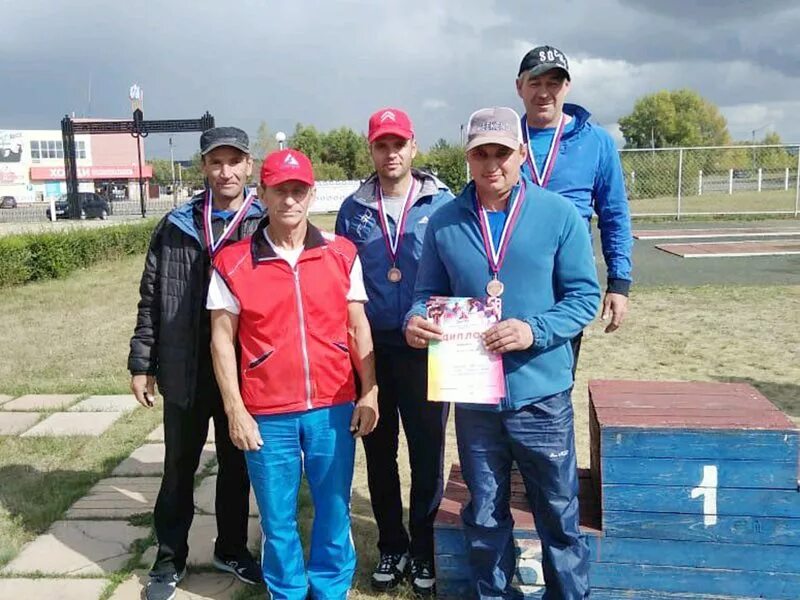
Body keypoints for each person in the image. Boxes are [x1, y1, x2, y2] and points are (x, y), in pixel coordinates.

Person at [404, 107, 600, 599]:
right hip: (475, 400)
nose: (492, 164)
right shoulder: (445, 222)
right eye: (480, 153)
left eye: (502, 153)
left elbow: (584, 297)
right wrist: (414, 320)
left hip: (541, 394)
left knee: (557, 512)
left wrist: (533, 331)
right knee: (486, 513)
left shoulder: (559, 214)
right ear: (468, 157)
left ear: (521, 154)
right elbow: (425, 292)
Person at [207, 148, 379, 600]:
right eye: (279, 190)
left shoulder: (342, 254)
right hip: (267, 411)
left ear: (311, 193)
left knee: (334, 508)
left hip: (333, 405)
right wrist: (235, 410)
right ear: (262, 193)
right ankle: (286, 590)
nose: (289, 200)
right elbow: (221, 339)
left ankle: (330, 589)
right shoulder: (233, 261)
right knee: (277, 516)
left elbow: (358, 326)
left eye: (298, 190)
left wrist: (370, 392)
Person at [128, 127, 264, 600]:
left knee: (236, 466)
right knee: (178, 468)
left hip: (242, 372)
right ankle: (169, 558)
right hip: (183, 370)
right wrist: (142, 363)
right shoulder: (175, 225)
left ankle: (231, 547)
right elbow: (151, 299)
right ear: (203, 167)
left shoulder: (264, 224)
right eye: (215, 162)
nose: (225, 171)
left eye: (234, 161)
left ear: (249, 166)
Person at [335, 107, 453, 596]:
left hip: (427, 346)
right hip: (374, 348)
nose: (391, 153)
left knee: (427, 455)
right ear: (372, 149)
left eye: (398, 144)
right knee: (379, 454)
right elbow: (340, 280)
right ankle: (391, 543)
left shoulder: (443, 203)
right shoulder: (352, 209)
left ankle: (424, 548)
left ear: (413, 147)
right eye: (382, 145)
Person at [515, 44, 632, 371]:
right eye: (535, 82)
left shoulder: (597, 141)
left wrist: (619, 283)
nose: (544, 92)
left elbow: (614, 216)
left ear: (567, 86)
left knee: (557, 381)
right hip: (511, 279)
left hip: (565, 283)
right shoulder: (505, 140)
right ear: (519, 86)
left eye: (553, 83)